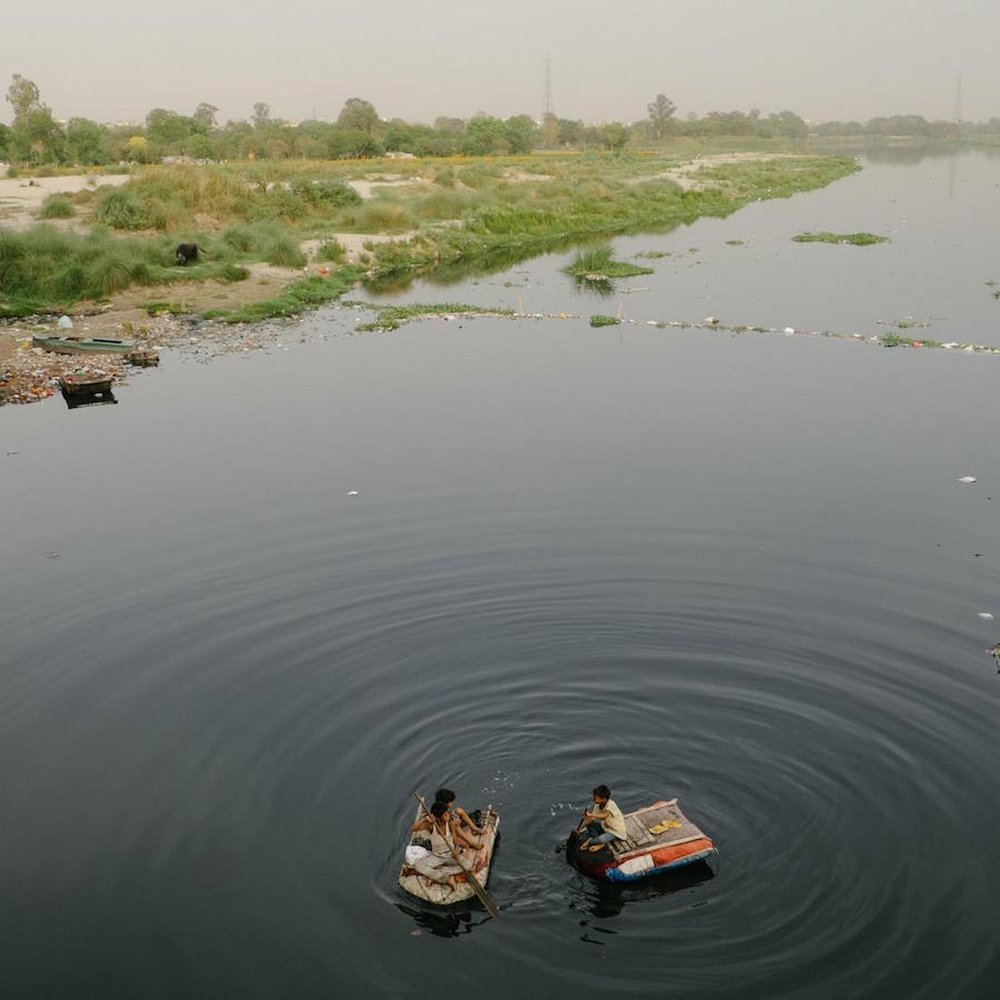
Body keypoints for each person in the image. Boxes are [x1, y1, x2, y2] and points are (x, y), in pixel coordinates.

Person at [578, 784, 627, 852]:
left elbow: (605, 815)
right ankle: (595, 840)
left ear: (604, 799)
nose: (594, 799)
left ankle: (596, 843)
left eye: (596, 798)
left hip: (615, 831)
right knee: (589, 823)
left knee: (601, 839)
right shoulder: (597, 805)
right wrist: (580, 828)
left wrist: (591, 814)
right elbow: (591, 819)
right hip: (606, 826)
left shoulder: (611, 804)